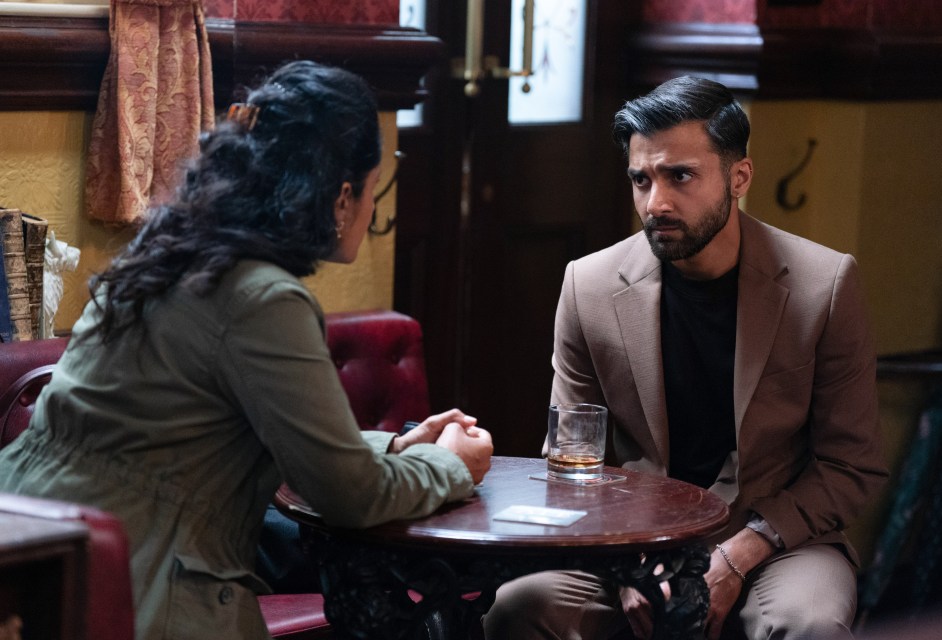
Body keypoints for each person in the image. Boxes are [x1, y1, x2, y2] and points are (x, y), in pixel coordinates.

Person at [0, 61, 493, 640]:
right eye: (373, 188)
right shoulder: (261, 298)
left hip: (30, 552)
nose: (372, 210)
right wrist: (449, 464)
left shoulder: (168, 252)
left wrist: (398, 444)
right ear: (341, 196)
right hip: (136, 586)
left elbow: (212, 433)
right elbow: (353, 497)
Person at [482, 76, 887, 639]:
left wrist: (744, 551)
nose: (657, 202)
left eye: (681, 176)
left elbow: (850, 465)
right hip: (626, 535)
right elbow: (571, 456)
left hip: (776, 535)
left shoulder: (825, 285)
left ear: (739, 177)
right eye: (641, 179)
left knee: (809, 624)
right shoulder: (588, 285)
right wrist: (622, 559)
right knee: (520, 604)